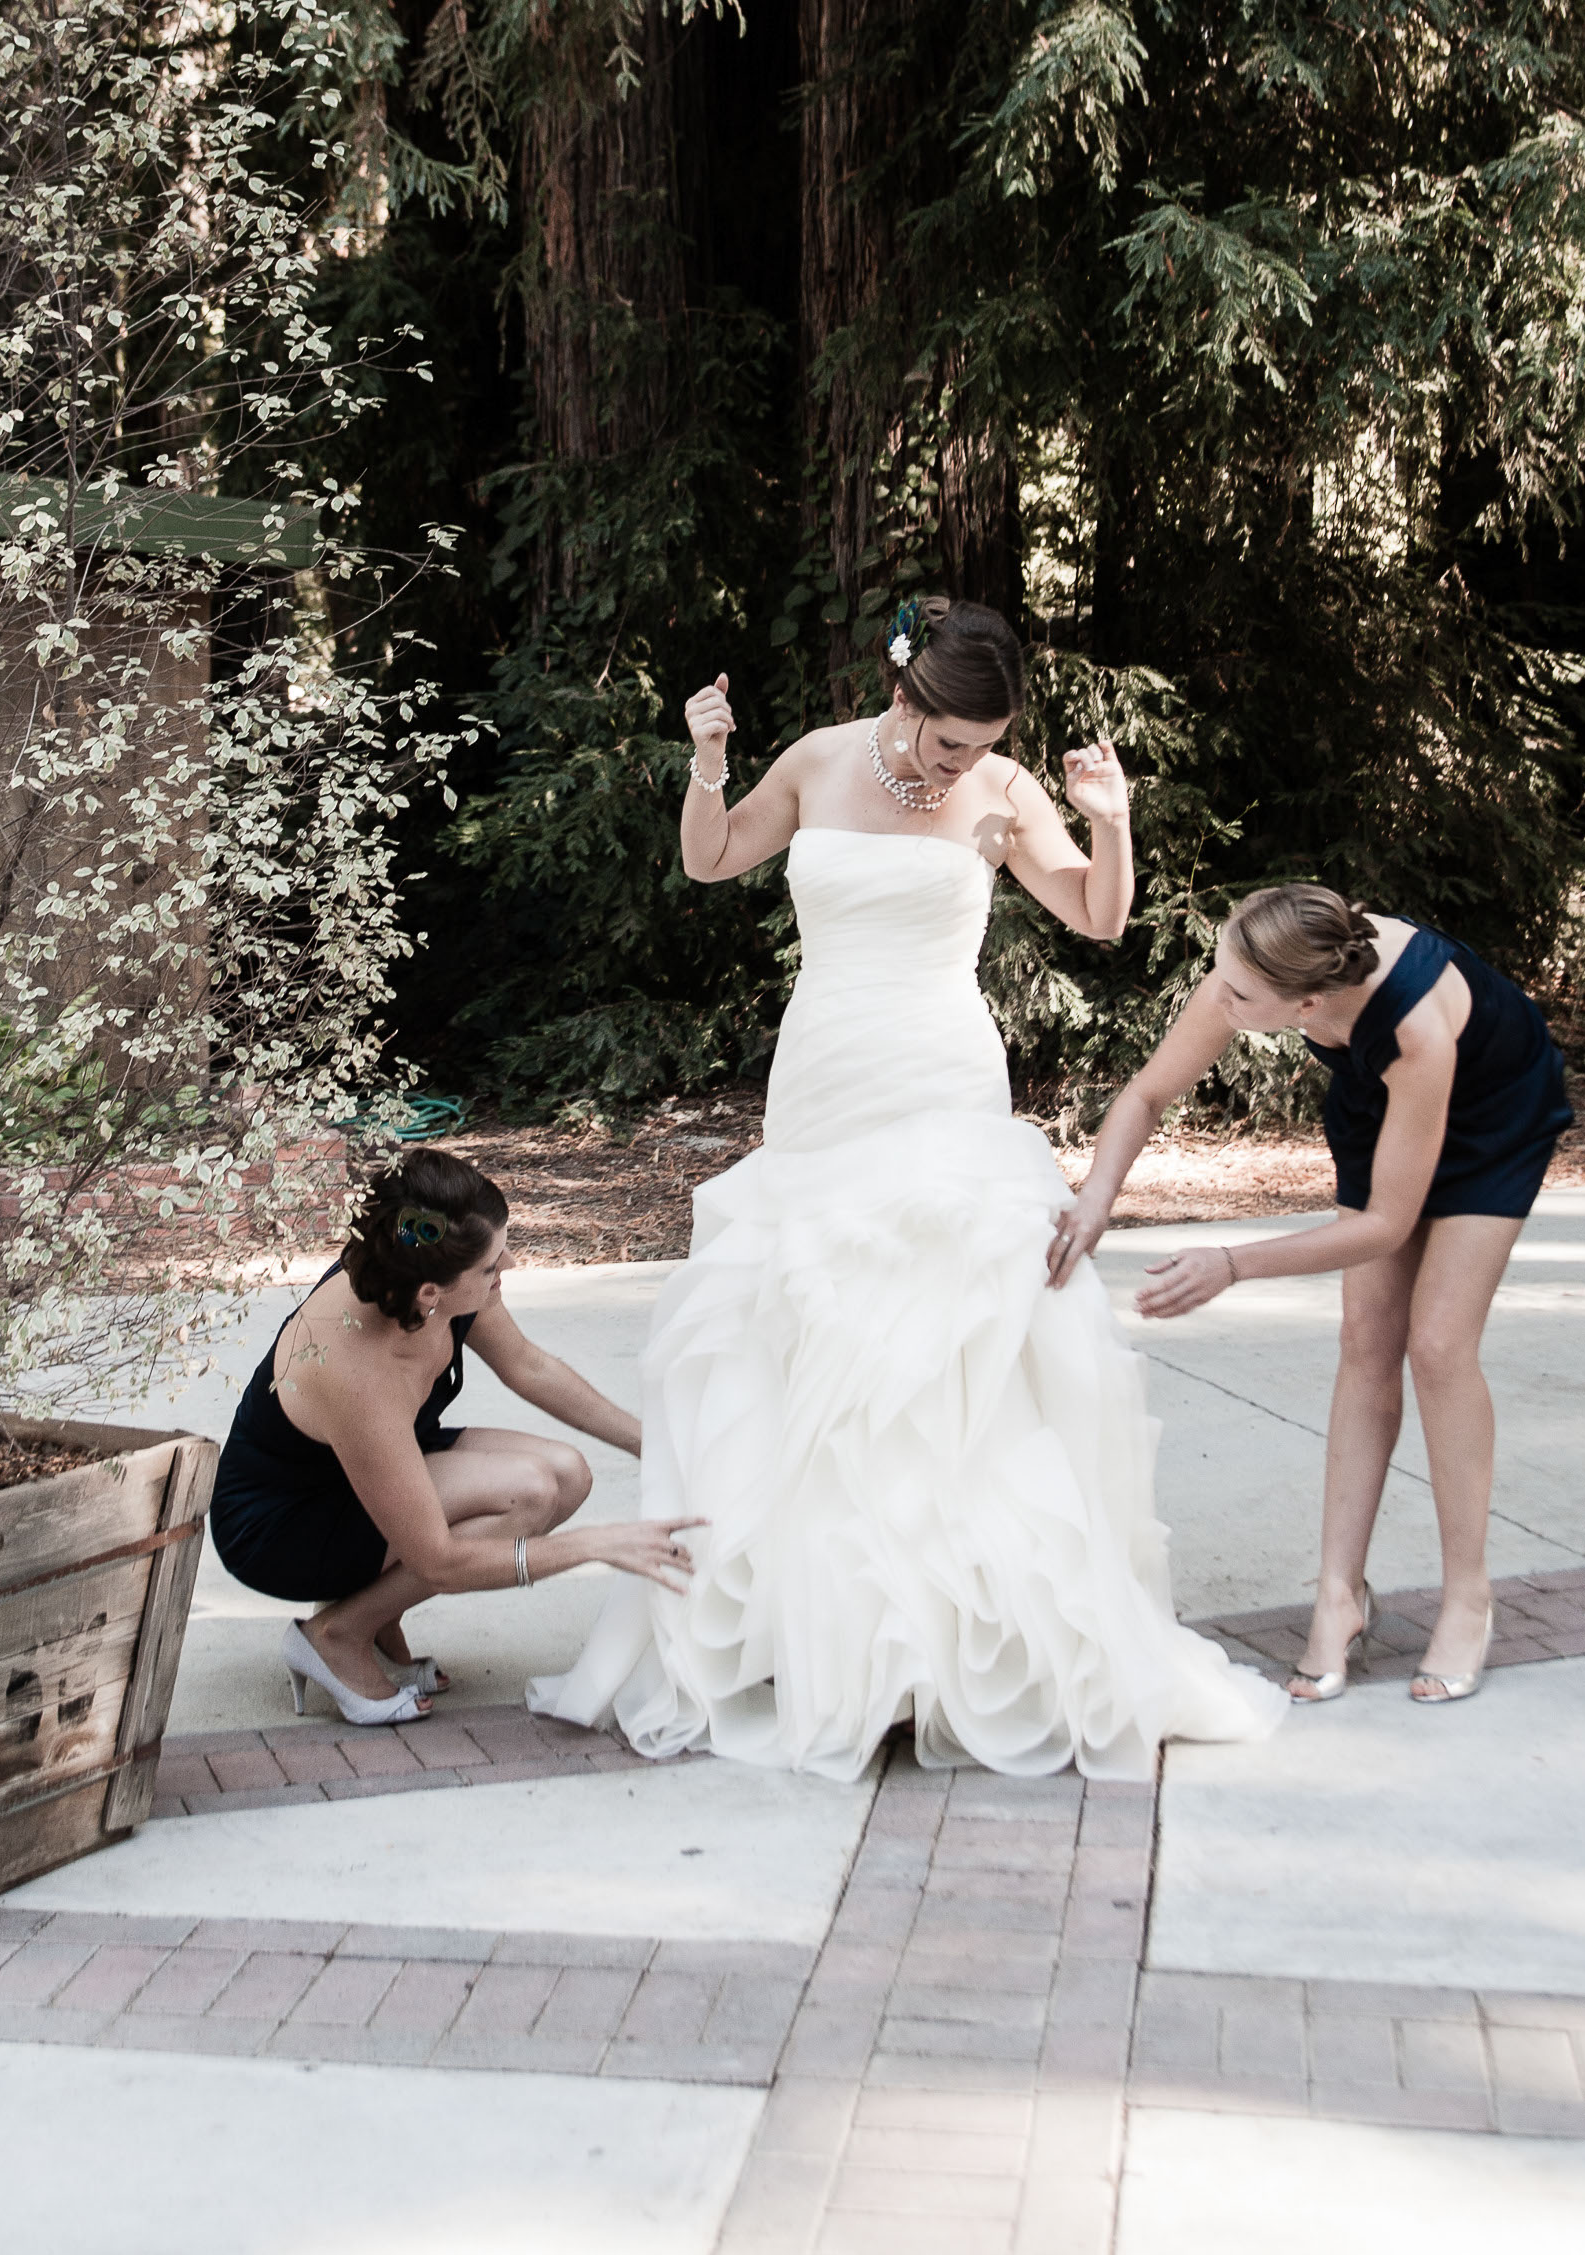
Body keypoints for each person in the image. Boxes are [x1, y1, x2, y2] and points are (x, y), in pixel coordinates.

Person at [526, 596, 1283, 1778]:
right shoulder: (817, 760)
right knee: (816, 1323)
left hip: (942, 1071)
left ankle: (943, 1648)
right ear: (901, 692)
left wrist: (1111, 821)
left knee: (949, 1340)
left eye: (982, 745)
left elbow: (1097, 914)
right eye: (947, 741)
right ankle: (826, 1636)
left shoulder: (1003, 788)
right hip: (826, 1073)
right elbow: (708, 857)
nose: (961, 763)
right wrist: (708, 758)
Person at [1047, 885, 1572, 1708]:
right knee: (1364, 1338)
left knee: (1437, 1343)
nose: (1219, 1001)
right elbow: (1149, 1091)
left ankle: (1467, 1597)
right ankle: (1338, 1594)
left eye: (1238, 997)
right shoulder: (1261, 956)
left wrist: (1231, 1263)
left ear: (1308, 1006)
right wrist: (1094, 1199)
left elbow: (1386, 1226)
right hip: (1379, 1106)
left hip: (1494, 1109)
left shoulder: (1415, 1026)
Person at [210, 1147, 700, 1724]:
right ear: (429, 1294)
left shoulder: (427, 1264)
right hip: (284, 1524)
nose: (510, 1265)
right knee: (530, 1491)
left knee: (567, 1474)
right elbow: (440, 1563)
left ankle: (371, 1612)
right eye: (493, 1266)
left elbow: (527, 1366)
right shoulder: (357, 1369)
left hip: (366, 1464)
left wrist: (653, 1443)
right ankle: (338, 1635)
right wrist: (597, 1546)